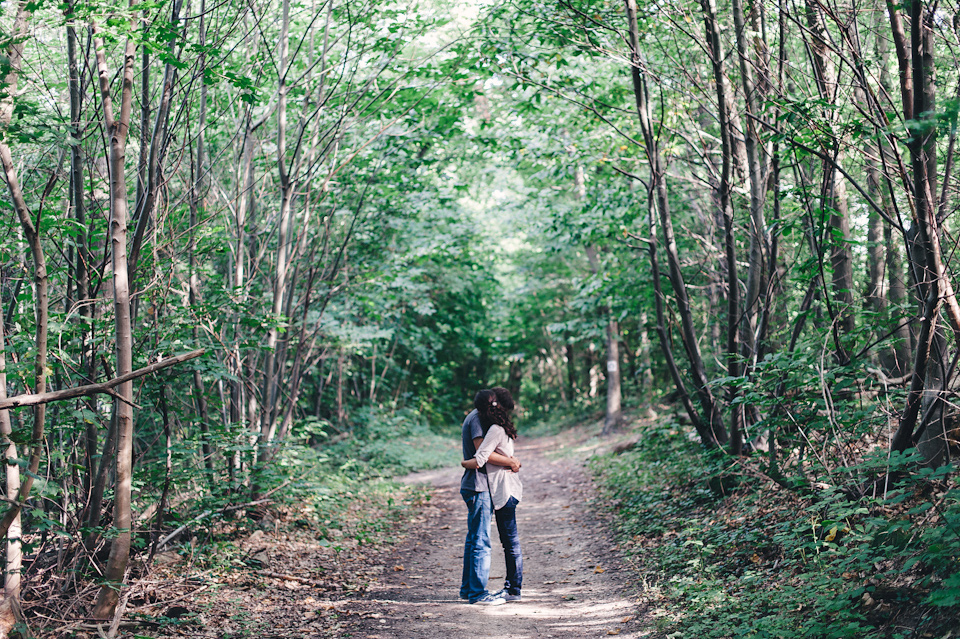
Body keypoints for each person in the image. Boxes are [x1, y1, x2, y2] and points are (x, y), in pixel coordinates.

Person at [461, 389, 523, 602]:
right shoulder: (478, 419)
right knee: (480, 540)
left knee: (475, 539)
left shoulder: (482, 419)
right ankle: (477, 593)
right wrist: (511, 462)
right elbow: (482, 456)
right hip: (479, 485)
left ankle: (469, 590)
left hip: (481, 485)